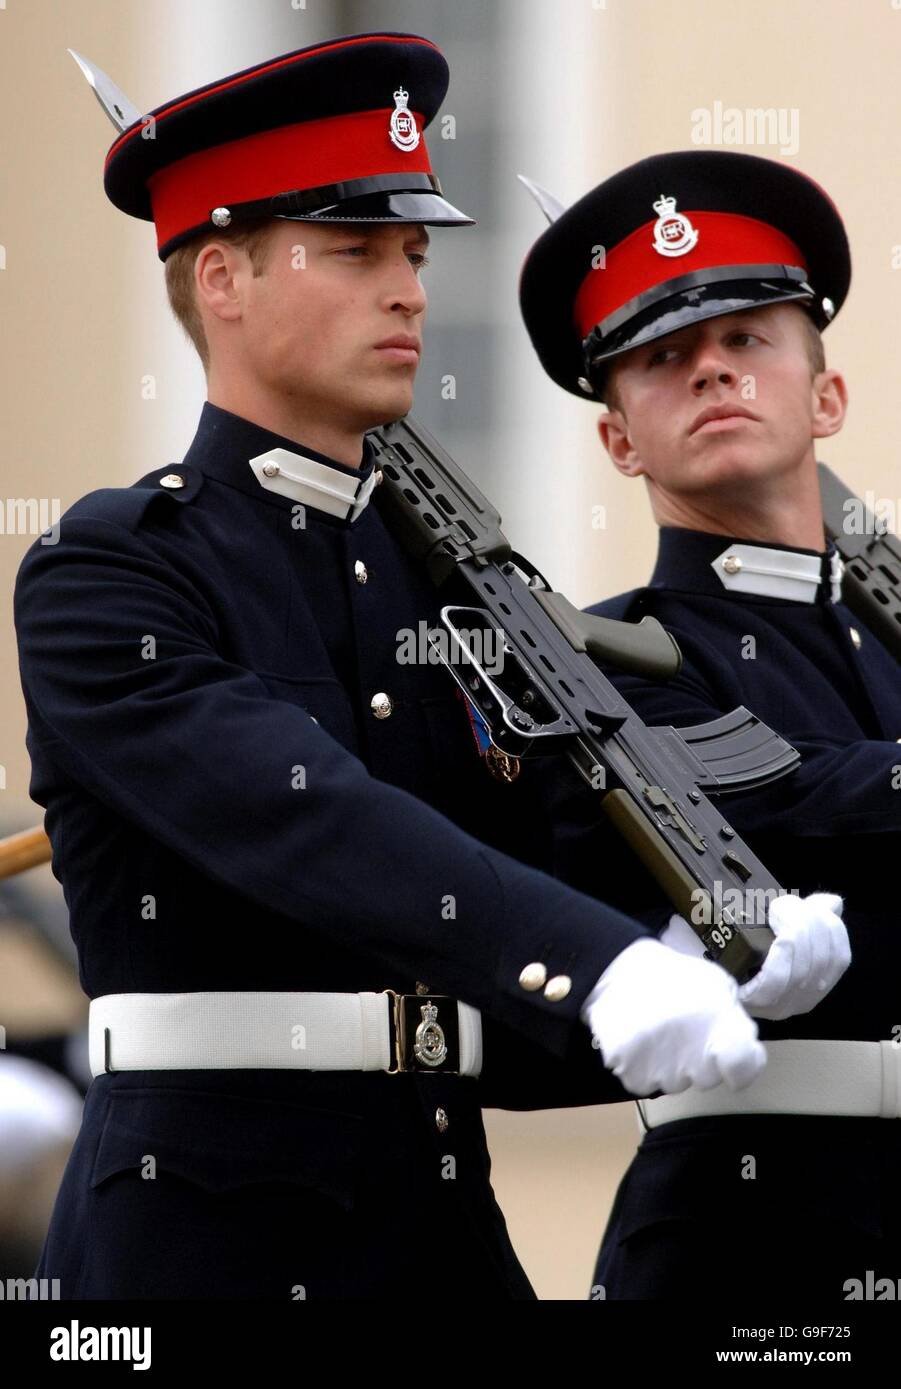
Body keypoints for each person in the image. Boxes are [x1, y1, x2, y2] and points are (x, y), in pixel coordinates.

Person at [14, 38, 843, 1300]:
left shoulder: (443, 586)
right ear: (224, 279)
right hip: (202, 1240)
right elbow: (305, 817)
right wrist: (599, 962)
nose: (407, 291)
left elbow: (526, 871)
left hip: (436, 1222)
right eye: (355, 253)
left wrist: (694, 934)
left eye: (412, 254)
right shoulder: (110, 570)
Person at [520, 147, 899, 1299]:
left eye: (746, 341)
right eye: (663, 357)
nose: (710, 372)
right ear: (619, 439)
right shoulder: (593, 654)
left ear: (824, 394)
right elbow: (789, 797)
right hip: (753, 1229)